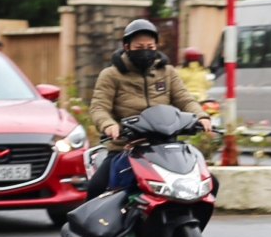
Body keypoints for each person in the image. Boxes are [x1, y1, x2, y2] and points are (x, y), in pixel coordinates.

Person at [86, 18, 209, 197]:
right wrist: (108, 124)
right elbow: (99, 107)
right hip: (125, 146)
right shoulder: (111, 75)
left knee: (209, 183)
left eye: (150, 47)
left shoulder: (167, 72)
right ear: (127, 47)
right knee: (97, 187)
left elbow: (185, 99)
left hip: (165, 145)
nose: (145, 51)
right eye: (139, 47)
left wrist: (201, 116)